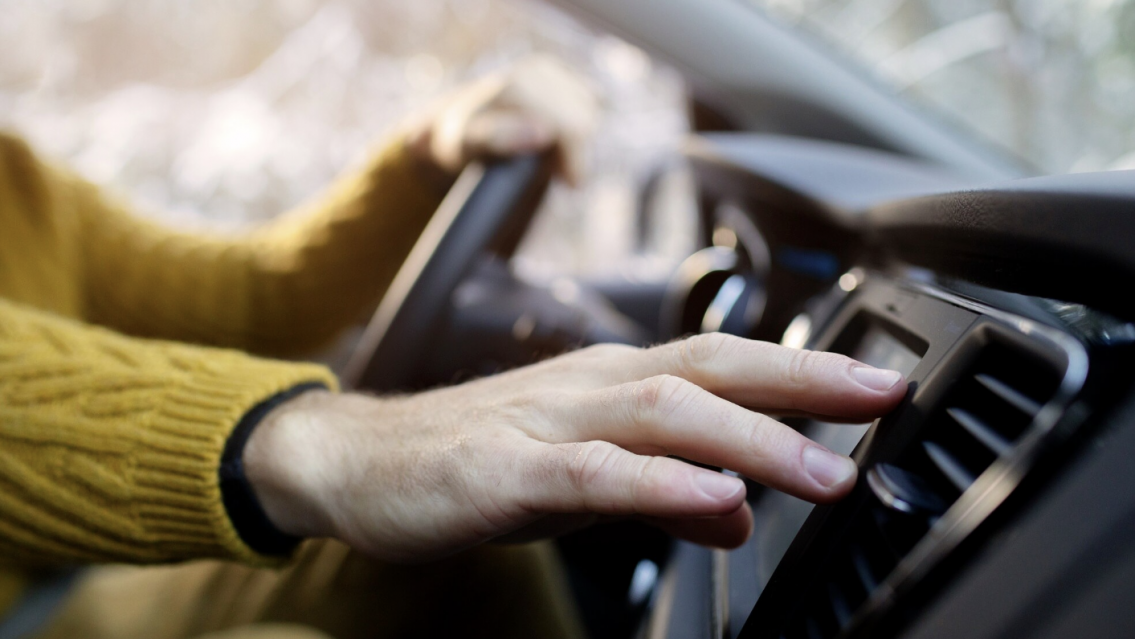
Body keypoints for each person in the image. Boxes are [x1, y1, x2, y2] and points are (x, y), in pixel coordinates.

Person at [0, 56, 907, 639]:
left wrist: (423, 161)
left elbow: (248, 300)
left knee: (462, 541)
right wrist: (332, 444)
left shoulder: (16, 183)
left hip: (64, 586)